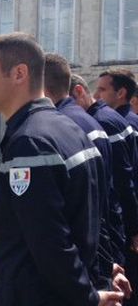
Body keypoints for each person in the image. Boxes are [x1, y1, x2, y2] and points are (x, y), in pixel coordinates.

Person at [0, 32, 123, 305]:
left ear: (19, 73)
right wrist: (103, 272)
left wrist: (87, 297)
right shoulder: (69, 128)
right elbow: (93, 215)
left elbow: (50, 242)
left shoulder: (29, 142)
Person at [44, 54, 126, 290]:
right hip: (107, 230)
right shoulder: (91, 121)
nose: (98, 96)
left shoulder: (65, 124)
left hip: (91, 244)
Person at [71, 73, 138, 300]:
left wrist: (133, 227)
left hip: (119, 221)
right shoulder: (119, 119)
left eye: (102, 90)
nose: (97, 94)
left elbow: (121, 181)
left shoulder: (105, 122)